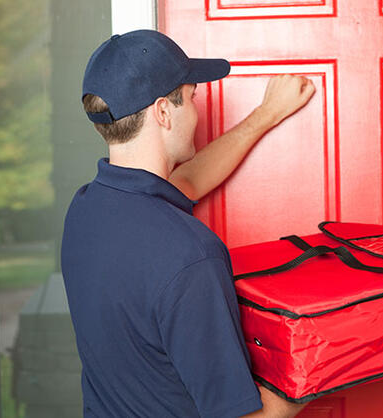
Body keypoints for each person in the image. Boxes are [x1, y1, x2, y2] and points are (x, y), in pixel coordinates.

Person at [60, 29, 315, 417]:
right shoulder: (190, 254)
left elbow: (189, 180)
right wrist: (328, 368)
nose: (197, 110)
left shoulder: (86, 211)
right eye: (192, 98)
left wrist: (267, 114)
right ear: (163, 111)